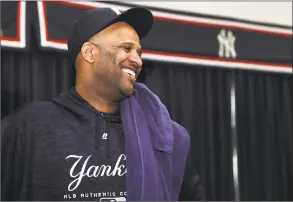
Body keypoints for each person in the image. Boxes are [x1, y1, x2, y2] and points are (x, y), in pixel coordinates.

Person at [1, 7, 205, 201]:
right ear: (90, 53)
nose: (137, 60)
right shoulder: (30, 127)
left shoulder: (161, 134)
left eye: (138, 52)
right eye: (126, 48)